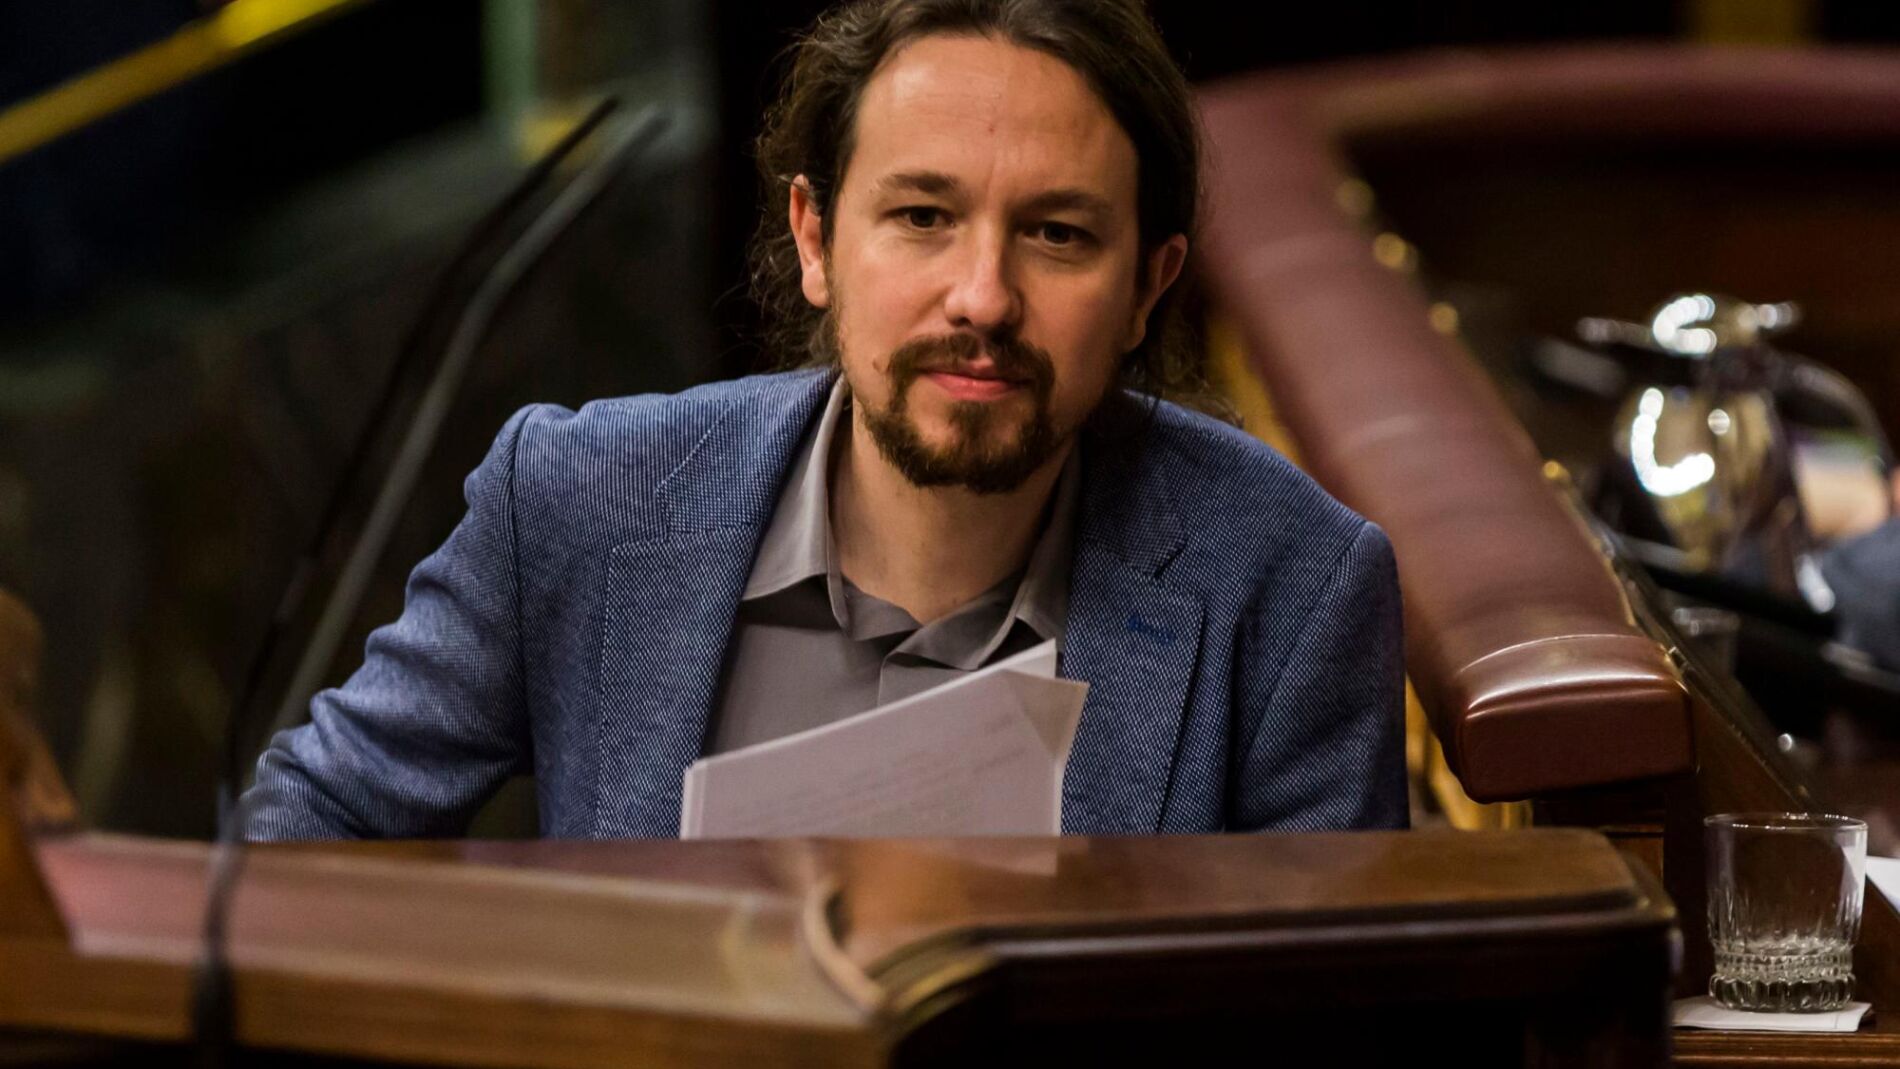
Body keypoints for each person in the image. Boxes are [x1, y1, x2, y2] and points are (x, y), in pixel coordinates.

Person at [244, 0, 1407, 839]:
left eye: (1056, 234)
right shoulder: (577, 498)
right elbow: (304, 831)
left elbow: (1333, 1018)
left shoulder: (1292, 589)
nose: (982, 298)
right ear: (814, 239)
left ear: (1149, 285)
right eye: (921, 217)